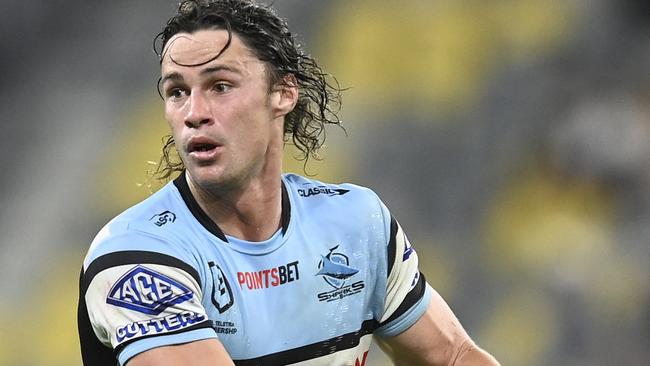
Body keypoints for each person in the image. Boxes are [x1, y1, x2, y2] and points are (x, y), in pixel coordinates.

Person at [77, 1, 501, 365]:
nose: (194, 112)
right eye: (177, 92)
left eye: (220, 86)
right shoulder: (137, 257)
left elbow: (454, 356)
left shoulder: (355, 224)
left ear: (282, 92)